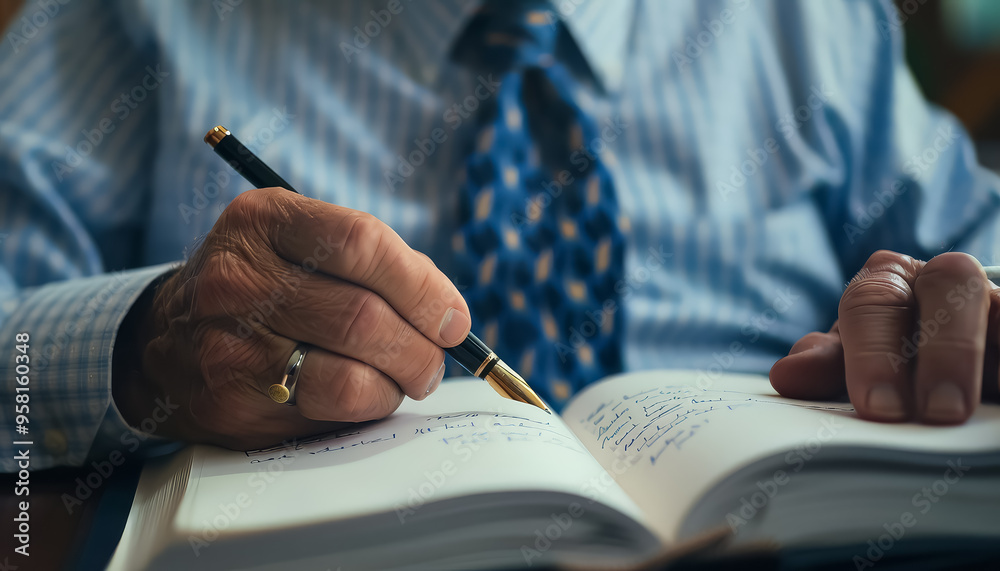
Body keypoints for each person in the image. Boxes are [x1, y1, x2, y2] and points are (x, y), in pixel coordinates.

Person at [1, 0, 999, 474]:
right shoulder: (120, 20)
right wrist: (140, 350)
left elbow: (968, 256)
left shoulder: (809, 23)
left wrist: (961, 305)